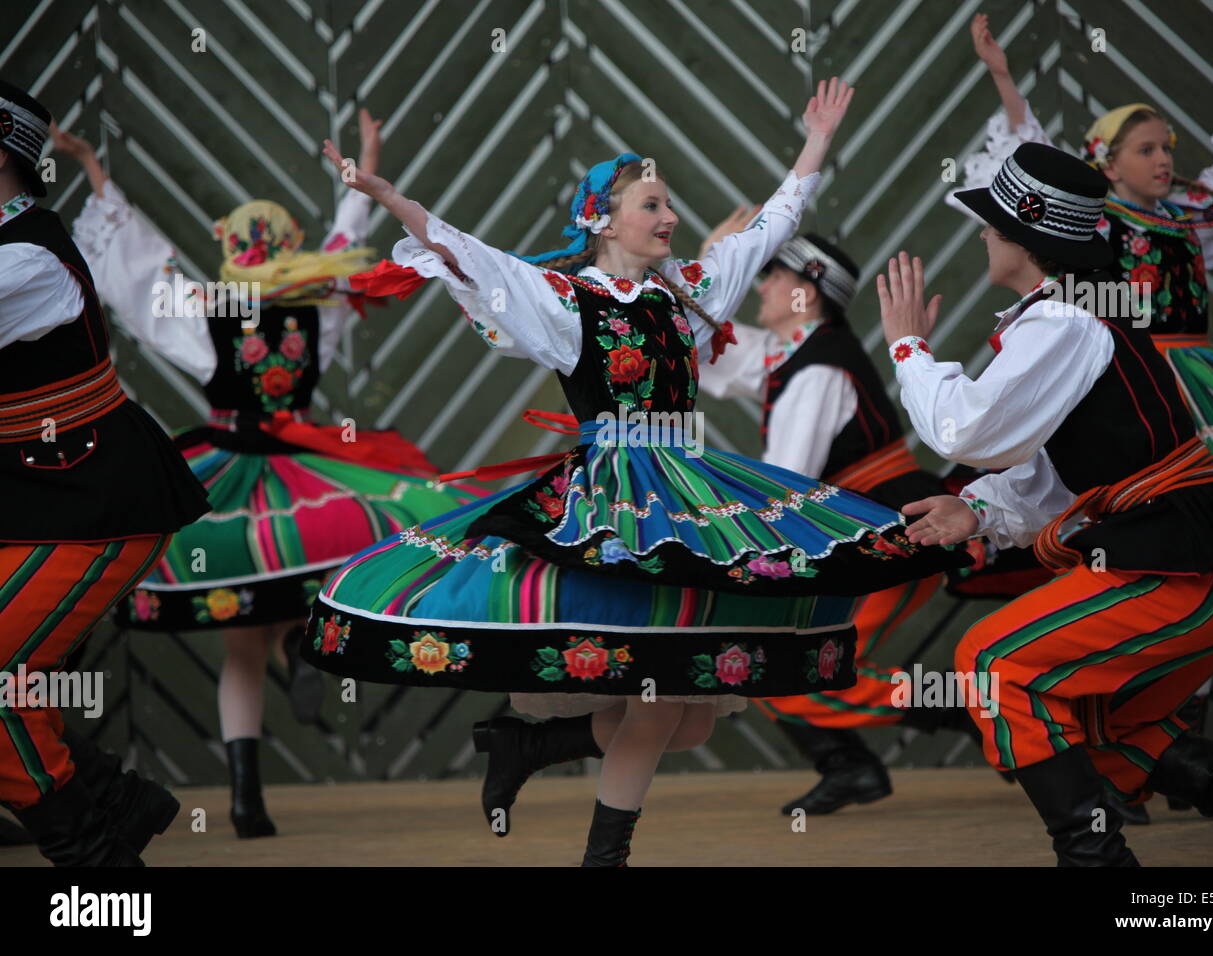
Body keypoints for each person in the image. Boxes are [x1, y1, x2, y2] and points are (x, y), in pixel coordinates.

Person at [308, 77, 969, 866]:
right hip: (617, 497)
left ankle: (532, 748)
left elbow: (765, 230)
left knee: (688, 715)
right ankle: (604, 856)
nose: (670, 218)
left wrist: (816, 145)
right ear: (603, 219)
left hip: (688, 488)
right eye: (652, 205)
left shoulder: (687, 293)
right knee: (667, 701)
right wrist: (387, 195)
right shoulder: (564, 302)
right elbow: (467, 254)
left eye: (668, 205)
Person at [52, 110, 482, 839]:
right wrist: (365, 167)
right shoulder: (315, 312)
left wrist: (96, 172)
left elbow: (139, 276)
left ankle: (248, 800)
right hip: (301, 473)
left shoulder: (212, 314)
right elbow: (345, 251)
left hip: (225, 469)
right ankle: (297, 647)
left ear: (230, 254)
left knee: (237, 638)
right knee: (296, 581)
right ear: (288, 251)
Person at [879, 141, 1213, 866]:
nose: (982, 235)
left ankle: (1096, 861)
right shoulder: (1077, 316)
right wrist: (975, 513)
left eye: (990, 225)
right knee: (1102, 722)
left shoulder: (1063, 323)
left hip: (1179, 573)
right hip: (1199, 565)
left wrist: (909, 348)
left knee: (989, 662)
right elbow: (1055, 477)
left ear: (1020, 241)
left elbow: (967, 429)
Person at [955, 7, 1213, 569]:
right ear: (1107, 164)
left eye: (1167, 148)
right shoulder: (1092, 229)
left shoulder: (1190, 217)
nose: (1164, 159)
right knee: (1120, 508)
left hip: (1201, 381)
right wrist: (1003, 78)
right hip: (1132, 384)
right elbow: (1032, 168)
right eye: (1146, 149)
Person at [697, 227, 983, 815]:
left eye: (775, 275)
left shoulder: (816, 369)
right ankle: (853, 765)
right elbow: (707, 348)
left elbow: (782, 487)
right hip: (865, 535)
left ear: (809, 291)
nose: (764, 286)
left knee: (787, 668)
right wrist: (708, 267)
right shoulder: (797, 352)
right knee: (766, 654)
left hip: (891, 533)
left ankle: (974, 708)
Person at [0, 78, 210, 865]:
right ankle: (116, 801)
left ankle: (98, 864)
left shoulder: (25, 260)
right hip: (33, 503)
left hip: (95, 506)